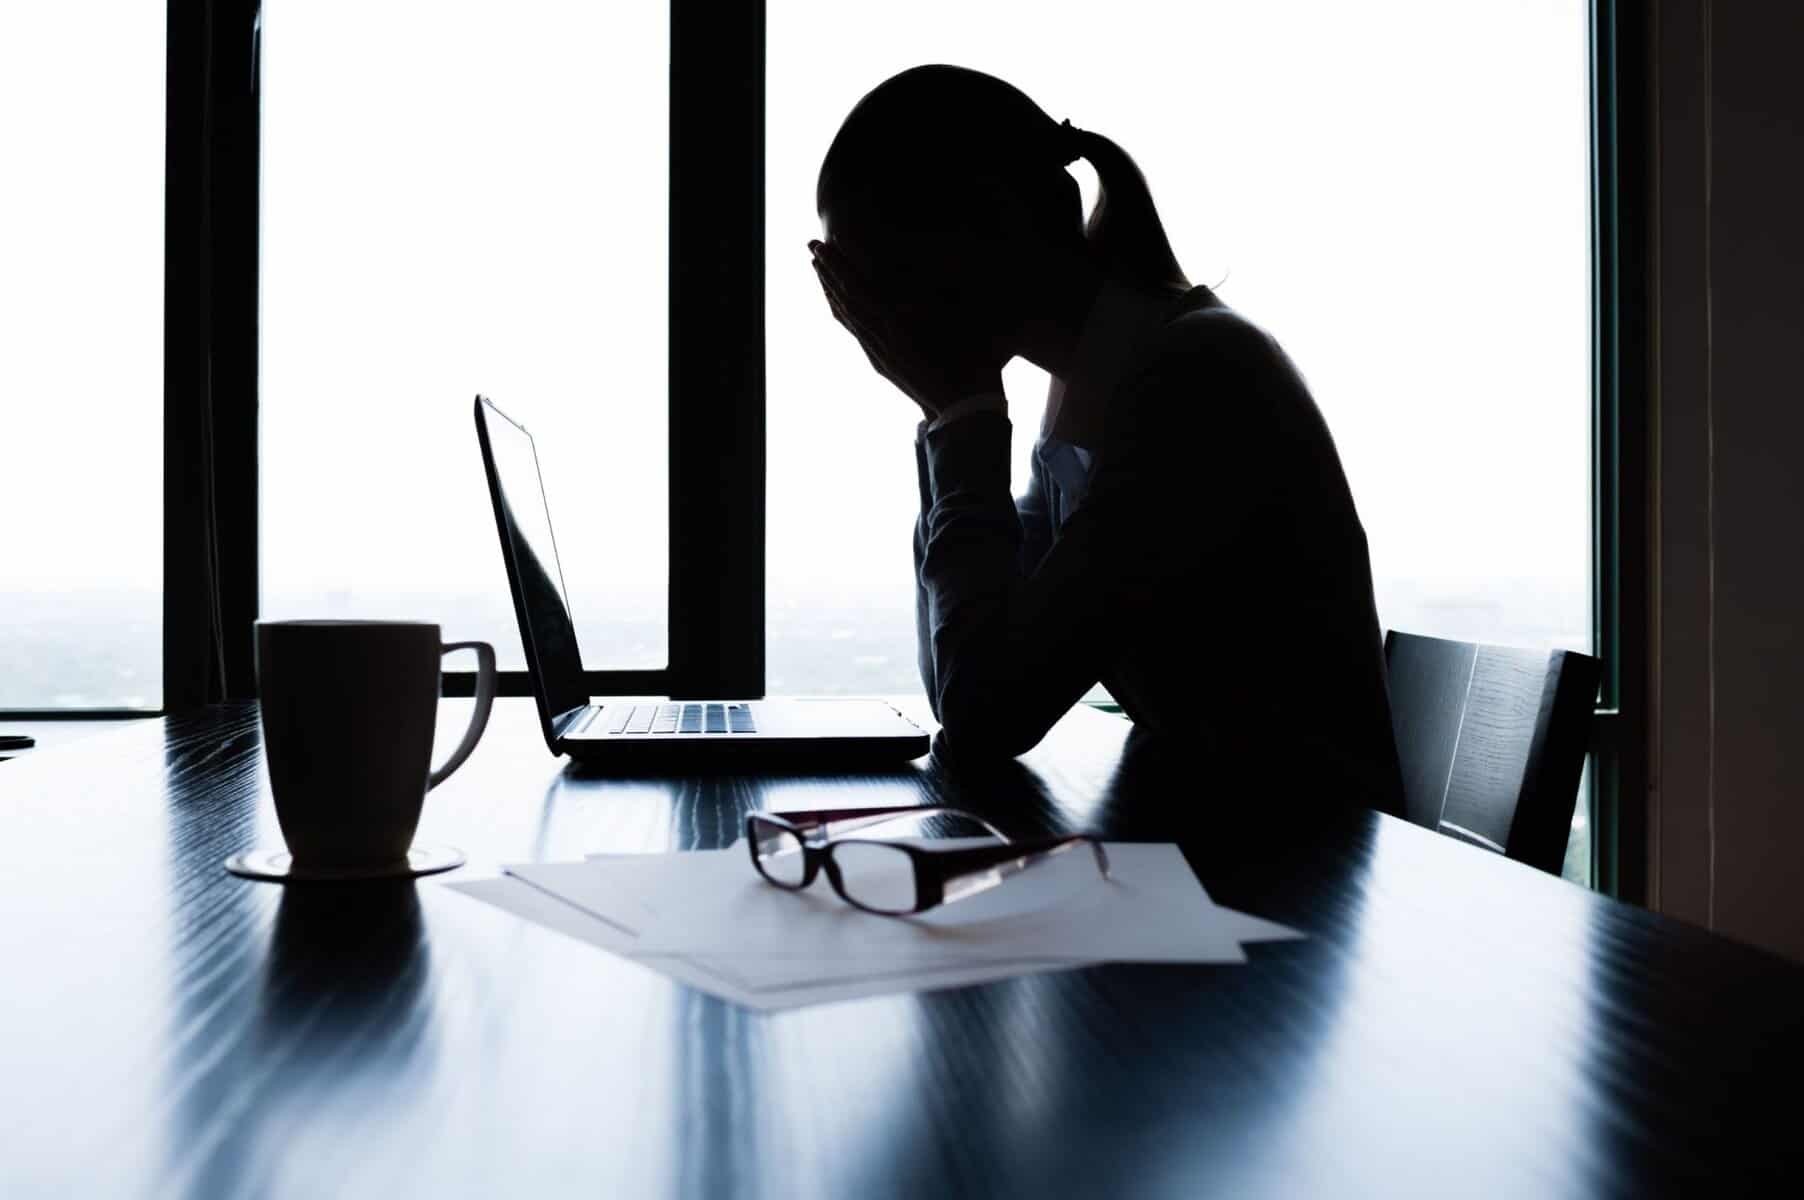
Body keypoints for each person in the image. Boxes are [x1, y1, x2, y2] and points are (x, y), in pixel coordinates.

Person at [809, 65, 1404, 813]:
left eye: (877, 280)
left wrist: (960, 417)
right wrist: (948, 419)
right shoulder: (1098, 379)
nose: (877, 323)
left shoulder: (1197, 374)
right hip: (1234, 842)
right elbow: (965, 684)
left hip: (1305, 871)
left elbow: (989, 711)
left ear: (988, 226)